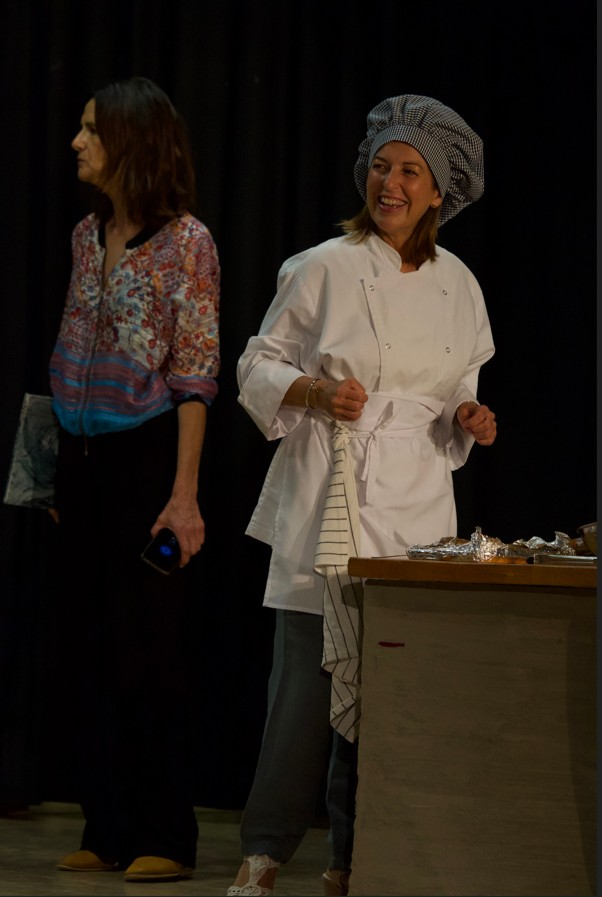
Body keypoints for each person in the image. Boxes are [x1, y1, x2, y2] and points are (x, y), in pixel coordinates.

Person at [227, 94, 497, 897]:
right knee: (305, 687)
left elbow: (455, 388)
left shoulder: (459, 284)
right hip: (332, 490)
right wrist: (315, 392)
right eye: (381, 166)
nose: (391, 183)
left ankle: (354, 859)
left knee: (392, 689)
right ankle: (264, 851)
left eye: (410, 171)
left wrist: (466, 415)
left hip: (418, 505)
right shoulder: (324, 266)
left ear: (439, 191)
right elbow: (255, 364)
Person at [48, 76, 220, 882]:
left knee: (148, 648)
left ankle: (165, 831)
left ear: (130, 141)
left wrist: (183, 494)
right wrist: (51, 471)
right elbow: (67, 346)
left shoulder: (187, 242)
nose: (78, 142)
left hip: (146, 459)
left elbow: (194, 375)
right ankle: (106, 822)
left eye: (92, 129)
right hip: (80, 459)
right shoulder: (87, 235)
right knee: (86, 642)